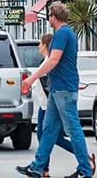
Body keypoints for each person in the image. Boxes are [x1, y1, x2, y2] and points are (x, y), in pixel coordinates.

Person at [17, 3, 95, 178]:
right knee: (48, 129)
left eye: (49, 16)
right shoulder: (68, 33)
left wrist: (31, 78)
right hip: (57, 88)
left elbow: (53, 61)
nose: (48, 19)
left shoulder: (61, 34)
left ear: (53, 16)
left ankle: (85, 169)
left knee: (73, 129)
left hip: (64, 89)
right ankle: (38, 167)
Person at [30, 33, 76, 178]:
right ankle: (43, 169)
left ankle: (84, 158)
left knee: (53, 138)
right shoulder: (46, 61)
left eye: (40, 43)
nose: (38, 46)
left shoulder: (49, 62)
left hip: (51, 106)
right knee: (47, 137)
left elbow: (48, 86)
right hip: (44, 106)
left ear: (45, 45)